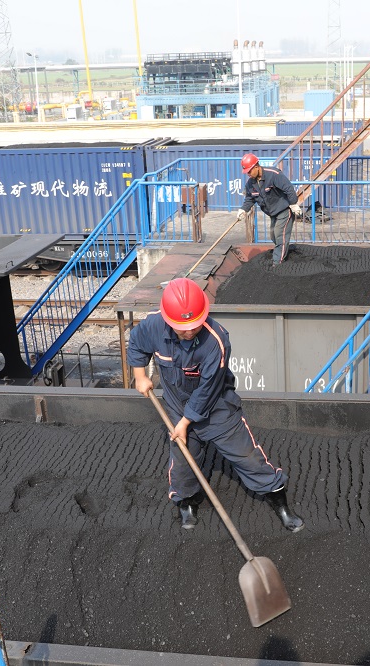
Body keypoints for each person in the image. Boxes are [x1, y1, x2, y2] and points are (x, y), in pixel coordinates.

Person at [127, 277, 304, 532]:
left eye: (194, 326)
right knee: (183, 461)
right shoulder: (153, 325)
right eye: (182, 328)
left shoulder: (216, 340)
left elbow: (207, 390)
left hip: (217, 408)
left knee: (247, 456)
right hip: (177, 406)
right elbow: (137, 343)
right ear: (168, 320)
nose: (189, 332)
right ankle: (186, 503)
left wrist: (185, 423)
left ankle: (279, 501)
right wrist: (140, 375)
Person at [236, 153, 301, 267]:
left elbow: (288, 188)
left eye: (250, 171)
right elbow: (250, 198)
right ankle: (283, 251)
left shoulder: (273, 174)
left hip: (284, 210)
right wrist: (243, 210)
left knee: (279, 234)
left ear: (256, 166)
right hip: (273, 213)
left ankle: (277, 264)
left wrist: (293, 204)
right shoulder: (250, 184)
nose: (248, 174)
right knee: (273, 236)